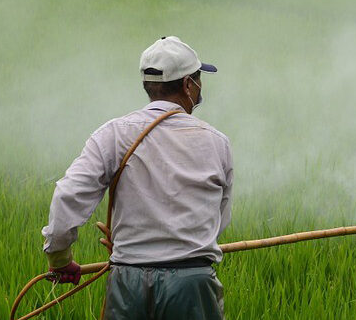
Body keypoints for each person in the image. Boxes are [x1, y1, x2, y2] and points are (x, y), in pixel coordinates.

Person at [40, 36, 233, 319]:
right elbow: (218, 220)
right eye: (198, 78)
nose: (200, 86)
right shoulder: (217, 142)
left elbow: (68, 195)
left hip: (128, 284)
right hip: (192, 283)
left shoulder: (113, 134)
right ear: (188, 85)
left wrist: (59, 259)